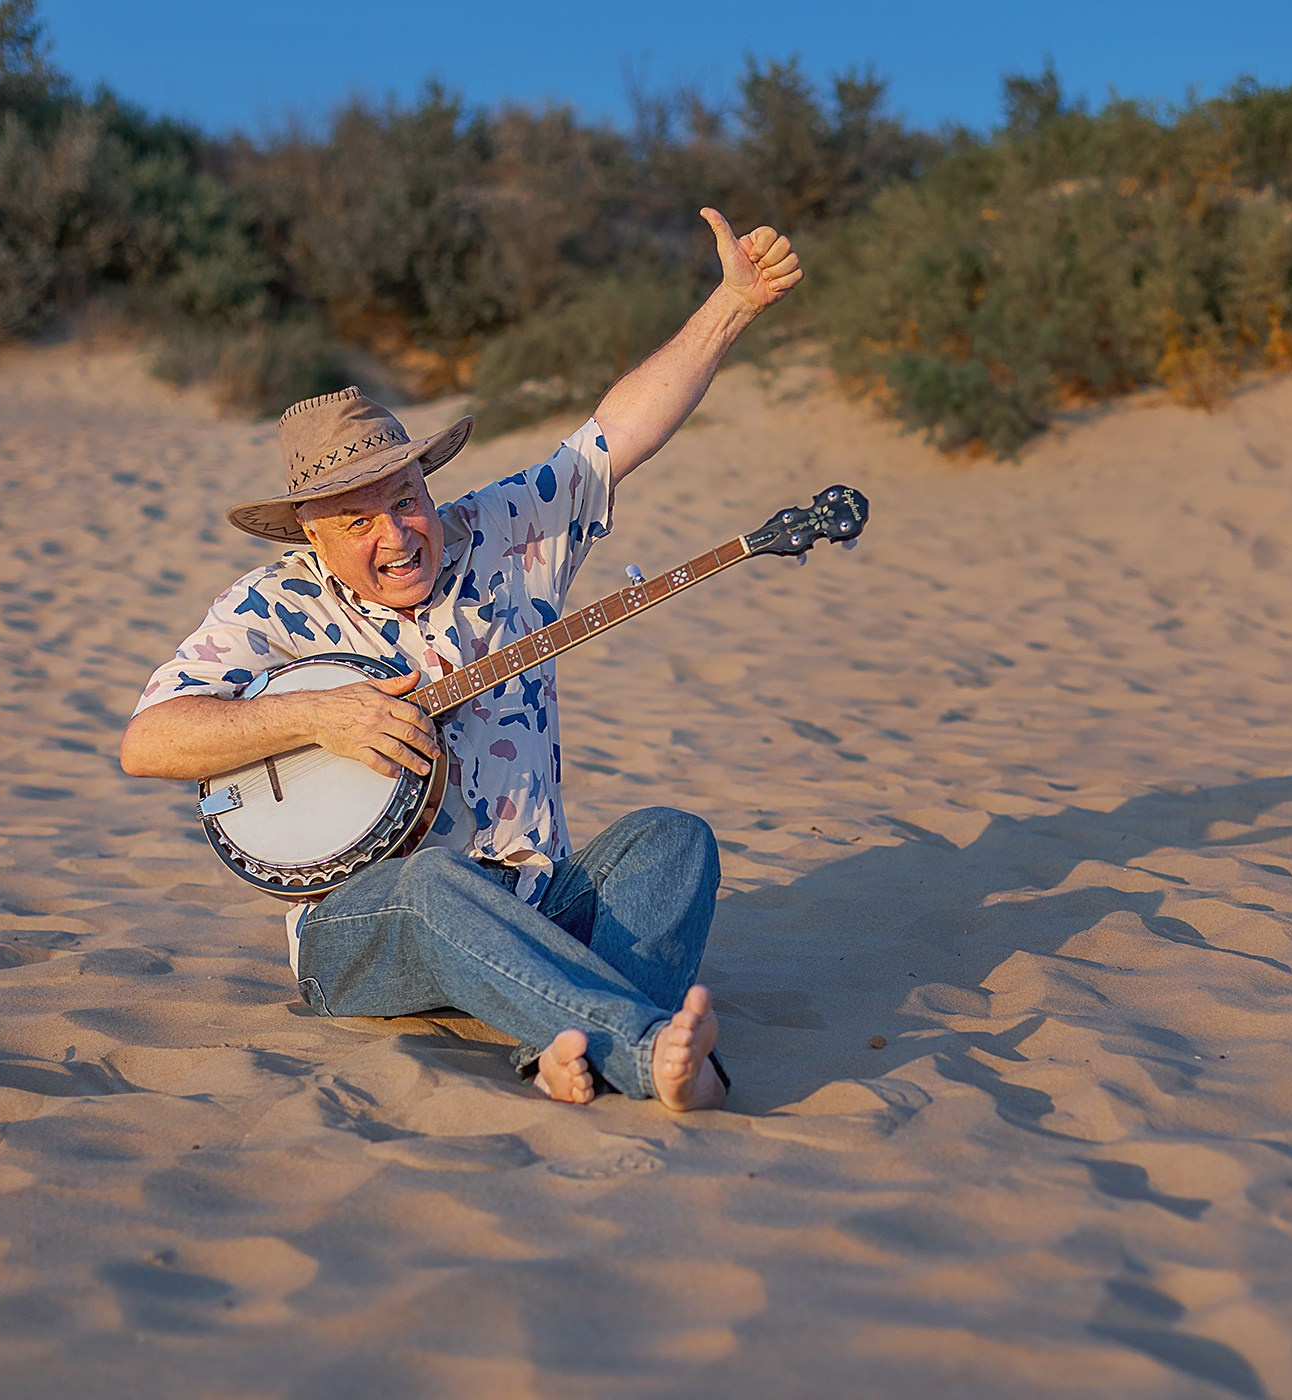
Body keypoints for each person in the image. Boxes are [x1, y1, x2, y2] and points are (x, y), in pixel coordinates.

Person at [120, 208, 801, 1111]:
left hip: (536, 901)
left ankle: (562, 1053)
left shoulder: (504, 534)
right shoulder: (271, 606)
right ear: (312, 537)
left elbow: (612, 439)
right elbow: (149, 742)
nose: (397, 534)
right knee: (436, 880)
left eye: (404, 499)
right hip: (364, 932)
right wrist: (316, 715)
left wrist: (733, 305)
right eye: (357, 520)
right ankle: (647, 1052)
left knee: (674, 842)